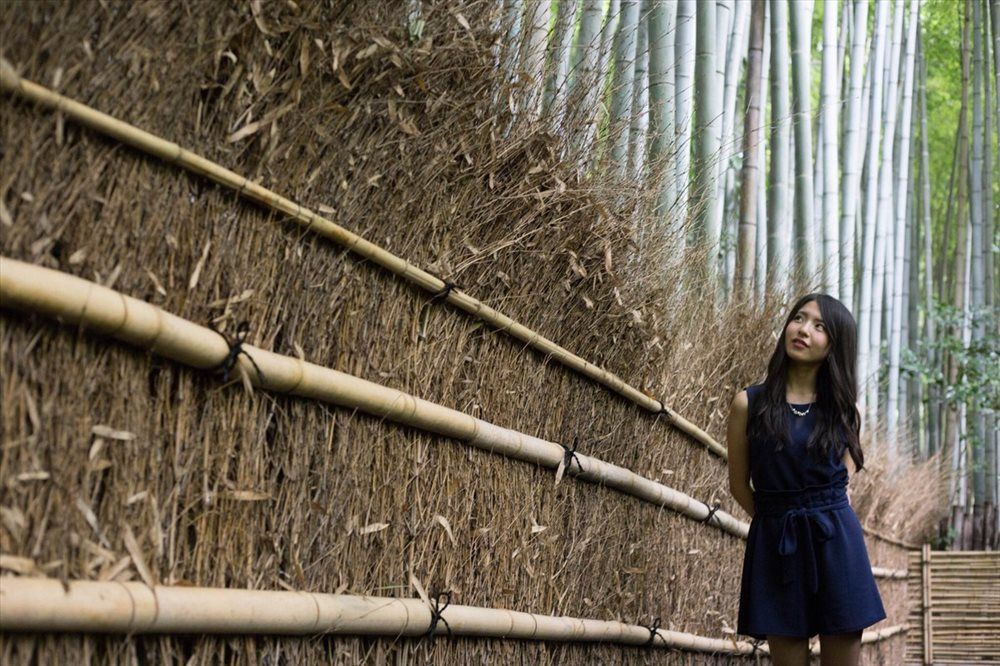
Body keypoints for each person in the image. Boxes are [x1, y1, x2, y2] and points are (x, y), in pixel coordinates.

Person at [726, 293, 887, 666]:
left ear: (835, 345)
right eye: (799, 318)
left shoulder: (846, 411)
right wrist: (776, 519)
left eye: (819, 326)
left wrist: (817, 511)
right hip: (777, 543)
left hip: (836, 541)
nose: (803, 329)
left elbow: (841, 483)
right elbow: (739, 485)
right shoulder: (748, 404)